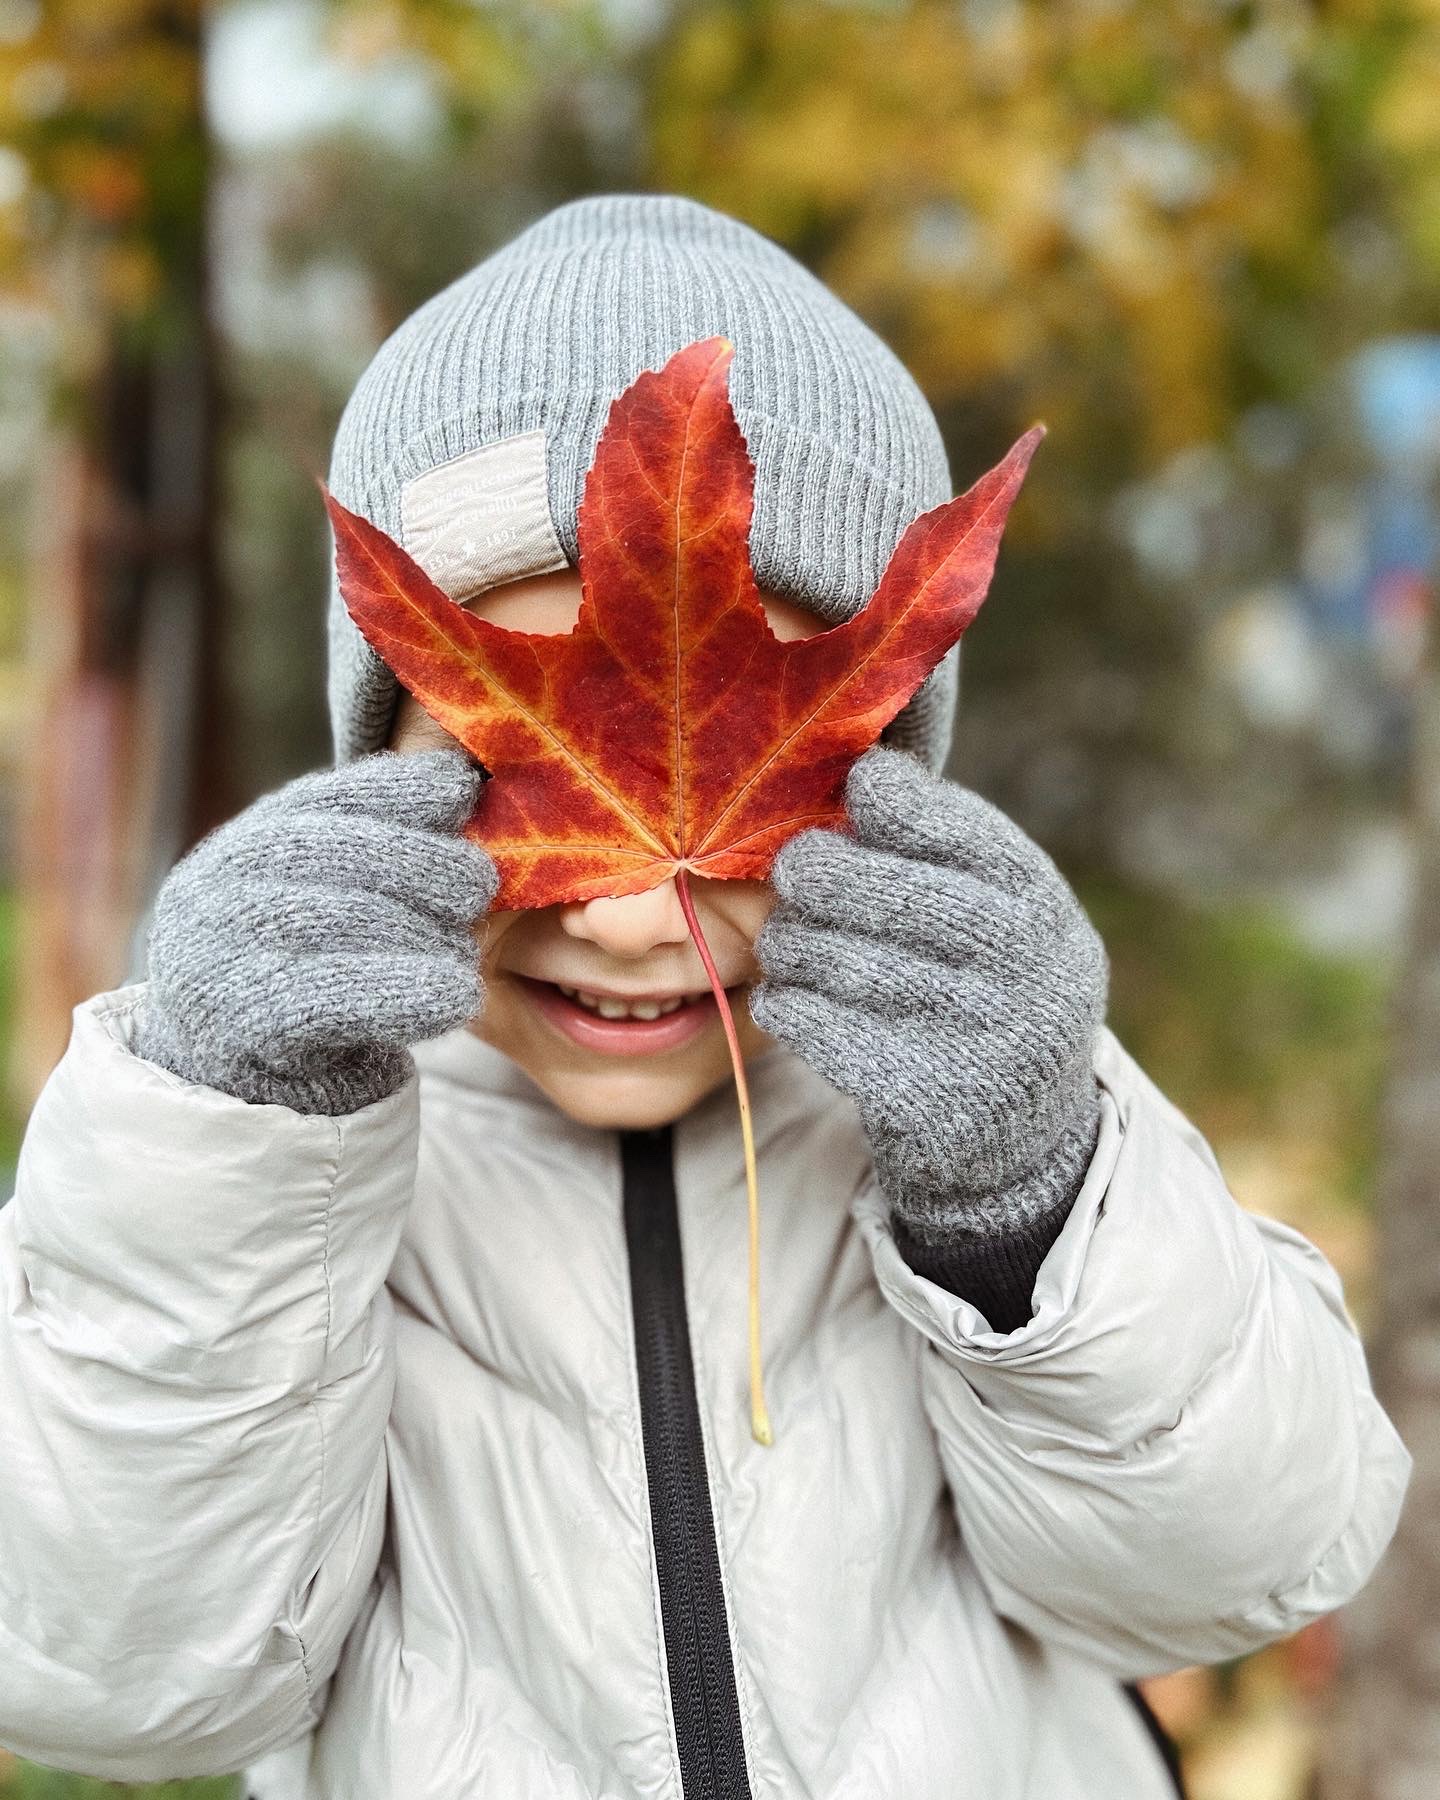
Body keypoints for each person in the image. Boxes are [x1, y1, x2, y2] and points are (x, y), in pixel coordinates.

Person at [0, 195, 1411, 1800]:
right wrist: (225, 1151)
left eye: (784, 794)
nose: (624, 917)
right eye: (498, 774)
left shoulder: (979, 1102)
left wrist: (1024, 1203)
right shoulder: (286, 1186)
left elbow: (1237, 1571)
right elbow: (102, 1672)